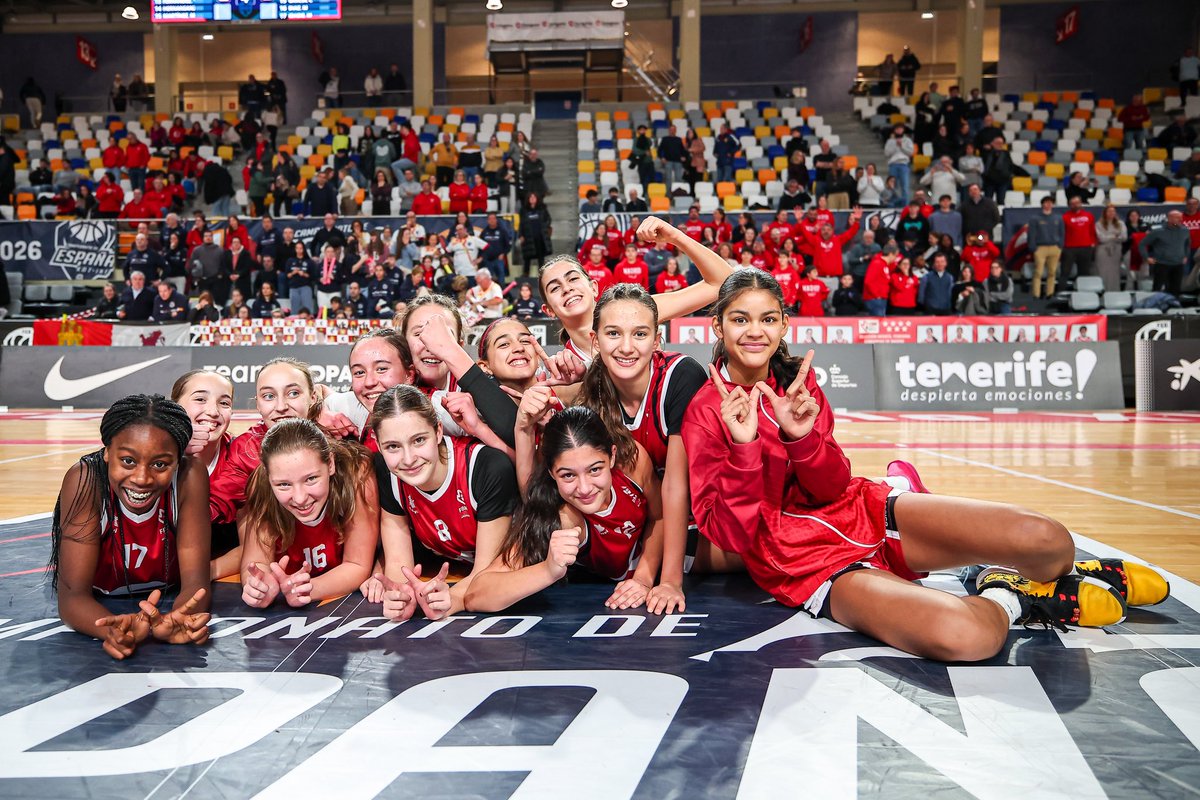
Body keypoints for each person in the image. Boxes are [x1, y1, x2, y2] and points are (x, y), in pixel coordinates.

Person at [683, 270, 1160, 661]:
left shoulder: (799, 389)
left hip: (863, 511)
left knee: (1048, 540)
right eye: (740, 319)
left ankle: (1048, 573)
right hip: (805, 564)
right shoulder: (706, 410)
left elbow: (831, 488)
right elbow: (732, 536)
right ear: (718, 328)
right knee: (966, 637)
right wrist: (745, 450)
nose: (754, 331)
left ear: (784, 325)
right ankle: (1013, 593)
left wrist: (803, 438)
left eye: (768, 319)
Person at [48, 395, 211, 660]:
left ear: (177, 462)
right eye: (128, 461)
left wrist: (179, 617)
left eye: (160, 464)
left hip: (166, 600)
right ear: (107, 452)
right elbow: (72, 598)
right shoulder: (85, 481)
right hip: (101, 602)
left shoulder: (190, 476)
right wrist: (113, 630)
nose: (142, 478)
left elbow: (196, 581)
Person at [467, 404, 664, 612]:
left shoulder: (632, 459)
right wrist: (548, 570)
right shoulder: (564, 520)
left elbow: (660, 517)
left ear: (612, 456)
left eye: (595, 470)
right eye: (568, 475)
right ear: (551, 472)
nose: (585, 488)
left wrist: (644, 577)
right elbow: (476, 595)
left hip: (659, 567)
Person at [239, 419, 379, 609]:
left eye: (311, 479)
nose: (300, 498)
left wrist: (307, 589)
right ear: (267, 474)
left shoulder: (356, 475)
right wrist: (259, 586)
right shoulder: (262, 484)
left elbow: (356, 564)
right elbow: (256, 563)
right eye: (284, 485)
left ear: (330, 464)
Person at [170, 371, 241, 579]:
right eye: (200, 399)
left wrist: (201, 573)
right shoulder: (154, 455)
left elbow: (256, 546)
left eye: (224, 403)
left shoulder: (243, 455)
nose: (213, 411)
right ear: (175, 406)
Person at [1140, 210, 1191, 295]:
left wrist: (1186, 255)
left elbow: (1187, 243)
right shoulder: (1158, 231)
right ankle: (1155, 306)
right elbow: (1142, 244)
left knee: (1176, 289)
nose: (1180, 219)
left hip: (1178, 265)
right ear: (1169, 219)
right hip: (1162, 264)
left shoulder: (1185, 230)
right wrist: (1146, 257)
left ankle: (1174, 306)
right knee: (1157, 288)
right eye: (1177, 217)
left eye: (1181, 217)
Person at [1028, 196, 1065, 298]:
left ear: (1052, 204)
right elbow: (1031, 234)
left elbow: (1062, 233)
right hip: (1040, 248)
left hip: (1054, 248)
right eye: (1046, 202)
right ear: (1042, 204)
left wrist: (1060, 245)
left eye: (1050, 202)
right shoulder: (1035, 219)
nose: (1048, 204)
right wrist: (1033, 247)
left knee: (1052, 272)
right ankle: (1036, 294)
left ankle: (1049, 293)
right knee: (1038, 272)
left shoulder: (1058, 218)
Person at [1061, 196, 1098, 281]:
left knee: (1084, 272)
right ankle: (1061, 291)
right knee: (1065, 271)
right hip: (1069, 248)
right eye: (1073, 204)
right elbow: (1062, 232)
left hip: (1086, 247)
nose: (1075, 205)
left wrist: (1093, 243)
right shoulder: (1065, 217)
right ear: (1069, 205)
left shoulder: (1089, 216)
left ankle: (1083, 293)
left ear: (1081, 203)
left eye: (1077, 203)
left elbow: (1092, 231)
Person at [1094, 204, 1128, 293]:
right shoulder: (1098, 224)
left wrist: (1109, 236)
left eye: (1113, 211)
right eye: (1109, 211)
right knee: (1103, 272)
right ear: (1105, 213)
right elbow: (1101, 238)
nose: (1111, 213)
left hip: (1116, 251)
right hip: (1103, 251)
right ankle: (1103, 291)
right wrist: (1114, 236)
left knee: (1115, 273)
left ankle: (1115, 292)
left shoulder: (1121, 223)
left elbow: (1124, 237)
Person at [519, 193, 552, 272]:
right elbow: (521, 224)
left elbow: (548, 219)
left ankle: (541, 275)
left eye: (534, 197)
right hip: (528, 237)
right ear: (528, 199)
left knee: (541, 258)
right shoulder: (524, 210)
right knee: (527, 258)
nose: (532, 198)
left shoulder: (542, 209)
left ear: (537, 199)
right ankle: (525, 275)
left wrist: (544, 227)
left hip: (540, 237)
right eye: (531, 197)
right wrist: (521, 235)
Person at [884, 125, 914, 204]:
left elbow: (910, 153)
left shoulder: (908, 140)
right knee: (893, 186)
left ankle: (905, 206)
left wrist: (902, 146)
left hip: (904, 164)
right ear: (894, 130)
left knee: (905, 186)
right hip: (893, 164)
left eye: (900, 128)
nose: (899, 130)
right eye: (897, 129)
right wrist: (895, 146)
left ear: (903, 130)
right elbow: (887, 153)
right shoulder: (890, 141)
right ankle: (893, 204)